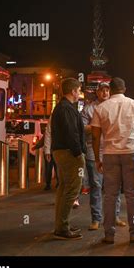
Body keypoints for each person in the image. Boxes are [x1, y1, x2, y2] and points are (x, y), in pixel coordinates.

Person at [91, 77, 134, 245]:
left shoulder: (101, 108)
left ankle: (109, 234)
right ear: (124, 89)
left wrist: (97, 159)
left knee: (110, 196)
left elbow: (95, 136)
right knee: (132, 195)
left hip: (110, 154)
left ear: (111, 90)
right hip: (132, 152)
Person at [81, 82, 126, 231]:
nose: (105, 92)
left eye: (107, 90)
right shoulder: (89, 108)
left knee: (114, 186)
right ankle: (96, 218)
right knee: (96, 186)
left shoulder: (115, 105)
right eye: (102, 90)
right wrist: (97, 126)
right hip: (94, 152)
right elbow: (82, 127)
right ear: (97, 93)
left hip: (113, 150)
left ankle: (115, 216)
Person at [51, 78, 86, 240]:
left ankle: (61, 225)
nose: (79, 93)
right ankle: (63, 227)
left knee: (64, 188)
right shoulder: (66, 109)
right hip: (69, 153)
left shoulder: (62, 107)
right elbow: (72, 133)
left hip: (61, 151)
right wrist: (79, 153)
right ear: (72, 91)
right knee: (72, 189)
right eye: (78, 90)